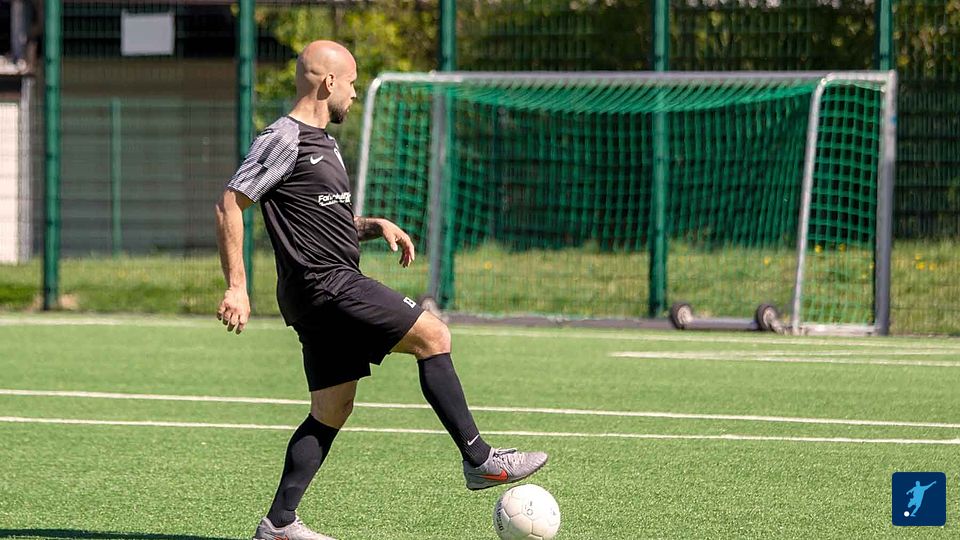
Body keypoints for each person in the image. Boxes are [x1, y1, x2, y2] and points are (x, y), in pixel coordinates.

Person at [214, 40, 548, 540]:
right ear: (329, 82)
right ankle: (480, 459)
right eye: (351, 83)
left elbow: (319, 219)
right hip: (327, 284)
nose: (354, 94)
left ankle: (278, 524)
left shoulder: (324, 143)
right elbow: (230, 203)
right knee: (434, 335)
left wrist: (372, 226)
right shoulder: (285, 138)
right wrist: (237, 287)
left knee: (332, 408)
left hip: (319, 290)